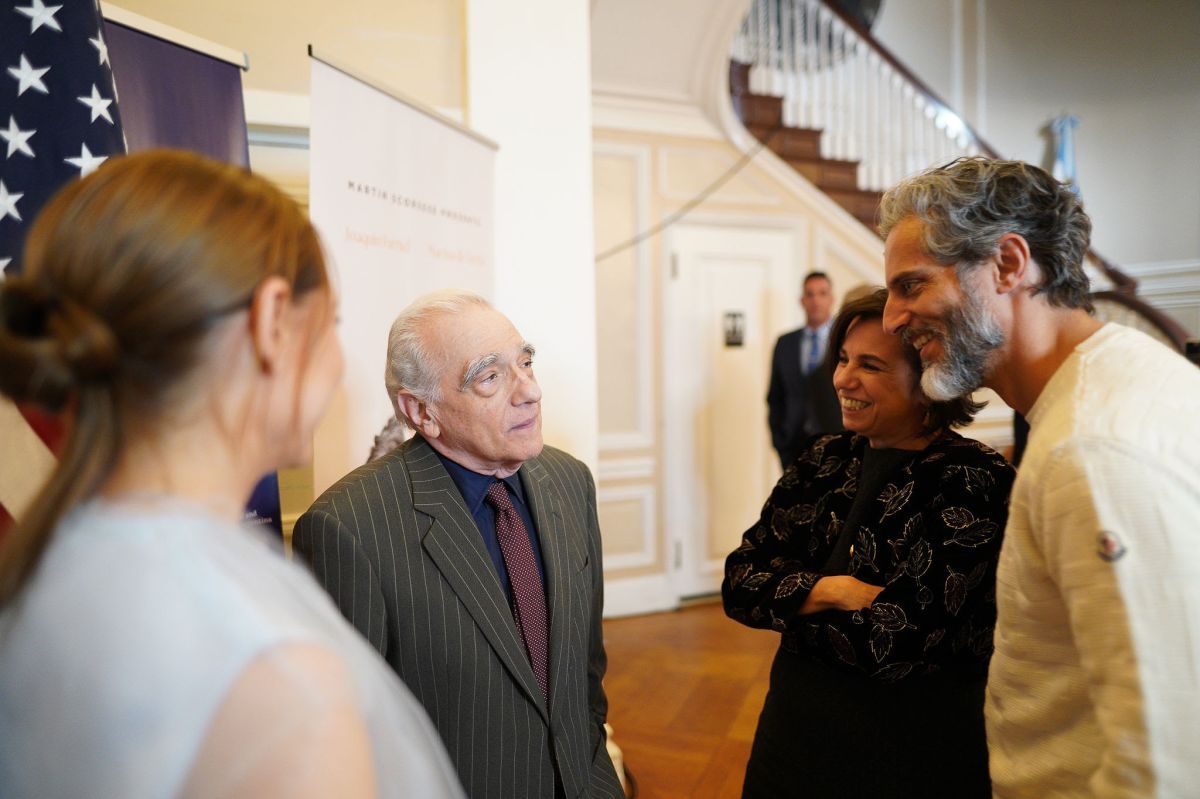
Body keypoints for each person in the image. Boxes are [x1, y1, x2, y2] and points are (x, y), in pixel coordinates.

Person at [0, 151, 464, 799]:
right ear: (273, 322)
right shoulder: (279, 676)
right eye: (330, 323)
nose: (338, 361)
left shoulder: (40, 561)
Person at [879, 157, 1200, 797]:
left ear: (1007, 264)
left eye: (911, 286)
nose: (892, 319)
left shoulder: (1092, 448)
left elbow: (1167, 761)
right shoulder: (1116, 385)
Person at [293, 290, 624, 799]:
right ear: (421, 411)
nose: (530, 391)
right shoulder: (349, 527)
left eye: (526, 362)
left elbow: (585, 675)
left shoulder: (569, 480)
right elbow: (350, 738)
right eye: (491, 377)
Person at [724, 288, 1015, 798]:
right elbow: (739, 583)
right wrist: (831, 591)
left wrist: (788, 606)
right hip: (794, 734)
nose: (843, 379)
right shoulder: (824, 457)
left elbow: (892, 645)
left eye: (871, 365)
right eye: (842, 359)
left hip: (909, 753)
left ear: (931, 380)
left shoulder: (972, 478)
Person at [767, 271, 843, 467]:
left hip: (837, 440)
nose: (816, 300)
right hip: (793, 444)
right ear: (802, 300)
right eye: (810, 294)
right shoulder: (785, 343)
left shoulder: (844, 340)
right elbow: (775, 396)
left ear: (832, 298)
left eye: (822, 293)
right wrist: (779, 440)